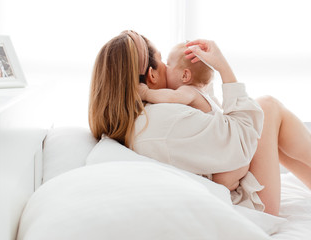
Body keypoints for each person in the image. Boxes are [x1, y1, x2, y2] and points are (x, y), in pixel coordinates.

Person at [88, 30, 311, 216]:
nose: (167, 65)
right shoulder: (164, 121)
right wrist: (224, 68)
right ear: (152, 76)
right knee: (267, 108)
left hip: (227, 183)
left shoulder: (140, 119)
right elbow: (242, 140)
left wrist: (198, 80)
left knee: (264, 116)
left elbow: (208, 125)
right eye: (163, 60)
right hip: (249, 208)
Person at [138, 42, 221, 114]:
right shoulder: (204, 95)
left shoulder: (189, 91)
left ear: (185, 76)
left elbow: (171, 97)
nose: (165, 68)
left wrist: (146, 93)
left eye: (168, 64)